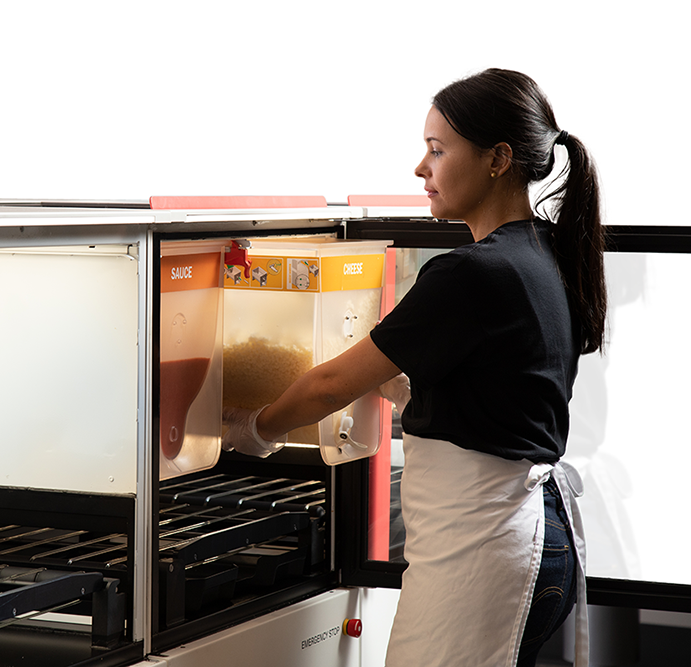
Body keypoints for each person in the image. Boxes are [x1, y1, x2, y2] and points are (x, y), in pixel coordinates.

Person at [222, 68, 605, 667]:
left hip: (482, 548)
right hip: (537, 540)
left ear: (498, 158)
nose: (420, 169)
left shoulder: (471, 273)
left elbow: (326, 384)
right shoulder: (546, 253)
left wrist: (252, 428)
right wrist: (403, 391)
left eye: (436, 149)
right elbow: (502, 393)